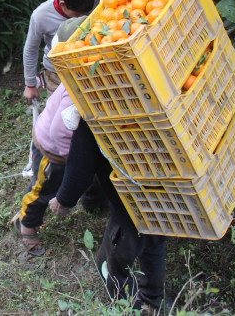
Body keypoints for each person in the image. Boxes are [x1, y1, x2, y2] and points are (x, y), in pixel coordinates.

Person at [49, 122, 166, 313]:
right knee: (153, 244)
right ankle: (154, 299)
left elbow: (80, 168)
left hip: (128, 210)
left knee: (111, 265)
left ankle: (130, 310)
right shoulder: (154, 111)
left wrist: (62, 200)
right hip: (163, 199)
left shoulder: (95, 117)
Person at [13, 79, 80, 256]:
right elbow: (59, 132)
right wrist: (72, 162)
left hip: (67, 146)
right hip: (51, 150)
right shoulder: (76, 89)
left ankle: (93, 200)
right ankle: (26, 224)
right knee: (42, 190)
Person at [22, 0, 96, 104]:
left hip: (88, 65)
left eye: (85, 14)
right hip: (57, 72)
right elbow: (31, 49)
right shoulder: (41, 16)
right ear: (62, 4)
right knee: (58, 106)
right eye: (77, 15)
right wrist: (30, 85)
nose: (82, 18)